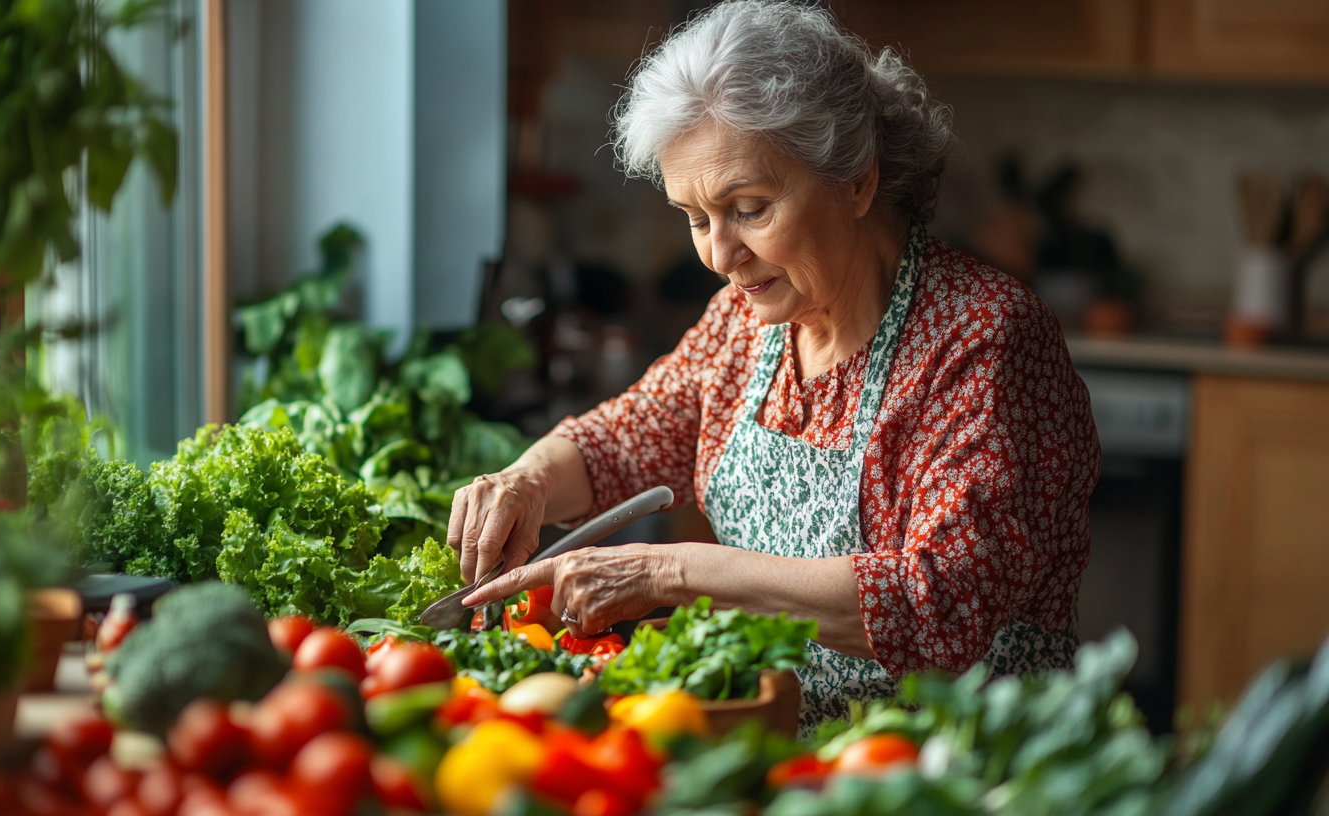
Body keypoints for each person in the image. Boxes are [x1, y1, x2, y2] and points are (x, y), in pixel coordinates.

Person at [453, 0, 1099, 732]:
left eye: (750, 208)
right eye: (697, 219)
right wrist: (526, 482)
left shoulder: (983, 337)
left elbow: (937, 604)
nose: (720, 257)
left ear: (856, 178)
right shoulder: (745, 323)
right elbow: (628, 434)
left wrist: (668, 572)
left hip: (957, 770)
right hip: (783, 756)